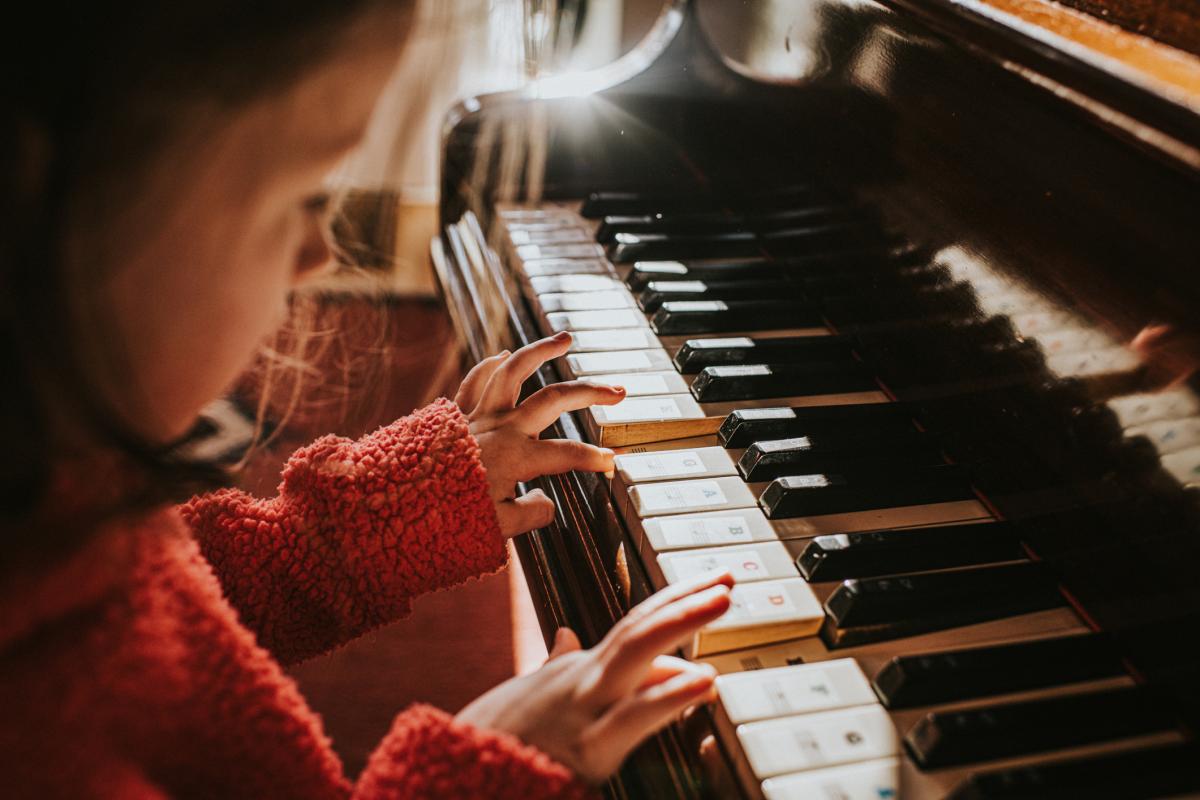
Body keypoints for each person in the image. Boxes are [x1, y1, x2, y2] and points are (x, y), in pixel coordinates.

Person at [0, 2, 734, 797]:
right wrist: (477, 773)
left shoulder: (54, 508)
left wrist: (372, 516)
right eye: (307, 197)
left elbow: (172, 628)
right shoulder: (34, 739)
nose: (321, 254)